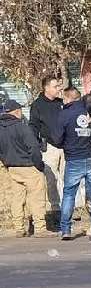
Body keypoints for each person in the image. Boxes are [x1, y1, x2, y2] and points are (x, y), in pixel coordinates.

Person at [52, 87, 91, 241]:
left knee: (69, 195)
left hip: (73, 159)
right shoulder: (90, 112)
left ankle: (66, 229)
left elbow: (57, 138)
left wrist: (66, 145)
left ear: (68, 98)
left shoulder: (64, 114)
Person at [0, 100, 48, 237]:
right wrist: (39, 165)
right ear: (16, 111)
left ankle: (18, 228)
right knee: (36, 196)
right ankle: (40, 228)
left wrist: (6, 161)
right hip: (28, 166)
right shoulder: (21, 126)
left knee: (17, 197)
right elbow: (33, 148)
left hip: (12, 167)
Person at [29, 76, 64, 221]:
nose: (59, 89)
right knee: (51, 179)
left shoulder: (61, 103)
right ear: (47, 88)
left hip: (66, 145)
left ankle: (69, 207)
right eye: (56, 86)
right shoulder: (37, 105)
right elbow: (33, 126)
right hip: (49, 147)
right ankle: (56, 208)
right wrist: (35, 144)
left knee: (67, 177)